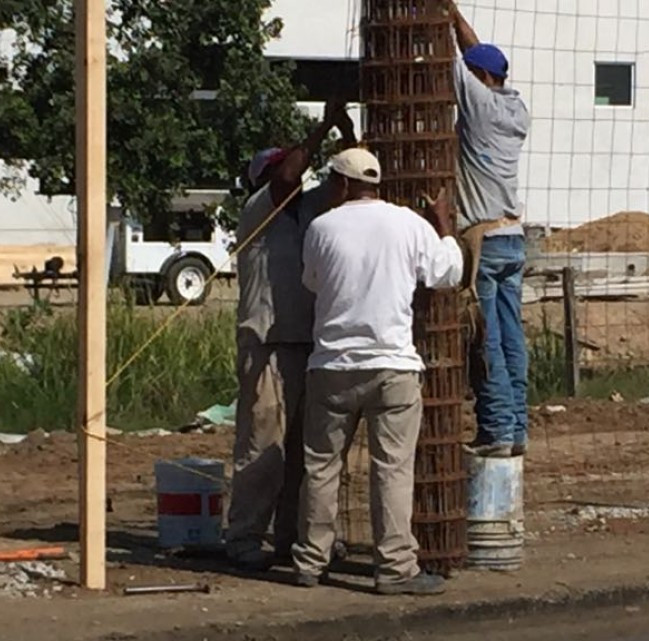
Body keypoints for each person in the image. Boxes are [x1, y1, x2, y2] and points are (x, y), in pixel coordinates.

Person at [292, 148, 463, 595]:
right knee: (391, 469)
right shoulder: (409, 224)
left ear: (343, 184)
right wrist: (443, 226)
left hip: (331, 365)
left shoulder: (320, 227)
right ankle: (394, 568)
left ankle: (311, 561)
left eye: (332, 182)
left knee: (322, 468)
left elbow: (311, 281)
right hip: (392, 366)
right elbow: (449, 274)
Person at [225, 100, 357, 570]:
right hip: (268, 344)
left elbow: (351, 181)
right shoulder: (260, 210)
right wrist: (321, 127)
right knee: (263, 447)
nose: (296, 174)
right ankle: (243, 537)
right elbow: (287, 179)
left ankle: (292, 539)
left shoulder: (308, 211)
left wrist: (346, 130)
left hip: (308, 346)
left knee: (307, 451)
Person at [442, 0, 531, 458]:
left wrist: (446, 20)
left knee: (487, 341)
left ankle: (496, 430)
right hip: (514, 237)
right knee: (513, 338)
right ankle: (516, 429)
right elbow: (476, 55)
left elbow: (459, 59)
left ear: (480, 80)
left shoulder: (475, 105)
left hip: (484, 242)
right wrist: (456, 13)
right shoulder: (514, 108)